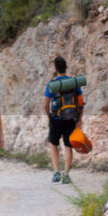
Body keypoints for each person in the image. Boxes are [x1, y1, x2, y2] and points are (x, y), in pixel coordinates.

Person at [44, 55, 84, 184]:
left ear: (55, 68)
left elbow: (45, 105)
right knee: (68, 146)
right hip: (71, 118)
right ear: (66, 67)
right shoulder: (74, 83)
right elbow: (80, 103)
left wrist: (49, 116)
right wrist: (79, 119)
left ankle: (56, 172)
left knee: (53, 144)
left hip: (56, 118)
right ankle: (66, 174)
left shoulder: (51, 84)